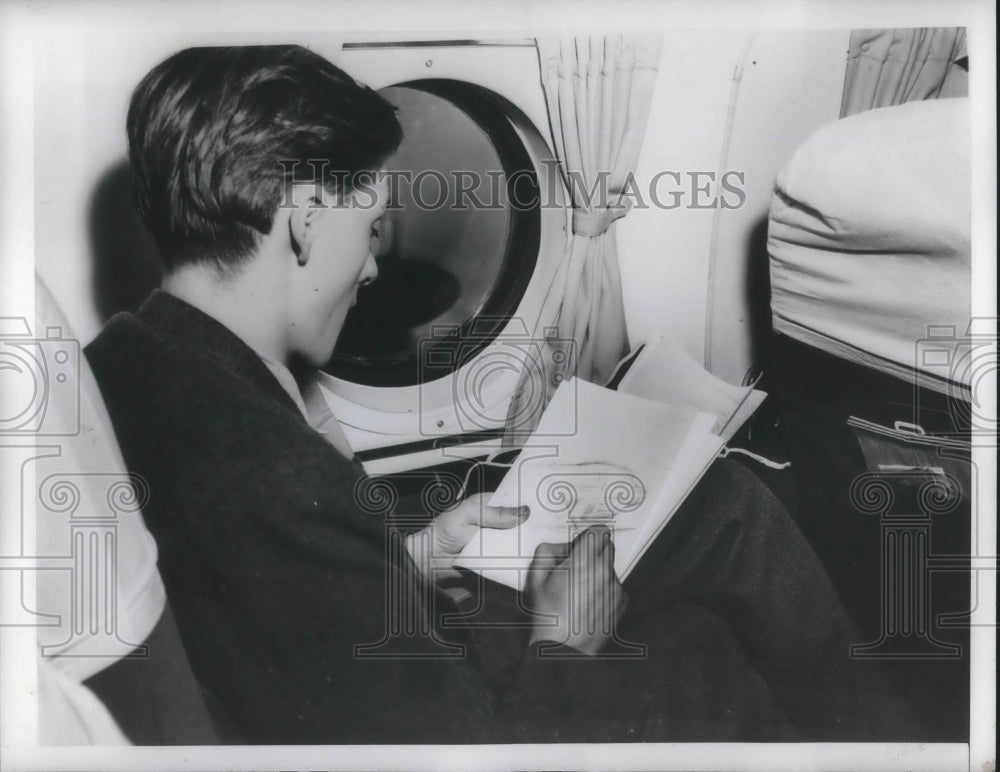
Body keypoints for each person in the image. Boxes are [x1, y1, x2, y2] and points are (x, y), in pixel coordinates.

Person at [85, 44, 912, 744]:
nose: (371, 268)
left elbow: (280, 607)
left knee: (717, 515)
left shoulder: (125, 367)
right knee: (707, 627)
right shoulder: (277, 477)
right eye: (368, 229)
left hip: (374, 652)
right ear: (303, 216)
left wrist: (410, 557)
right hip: (475, 716)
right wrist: (562, 640)